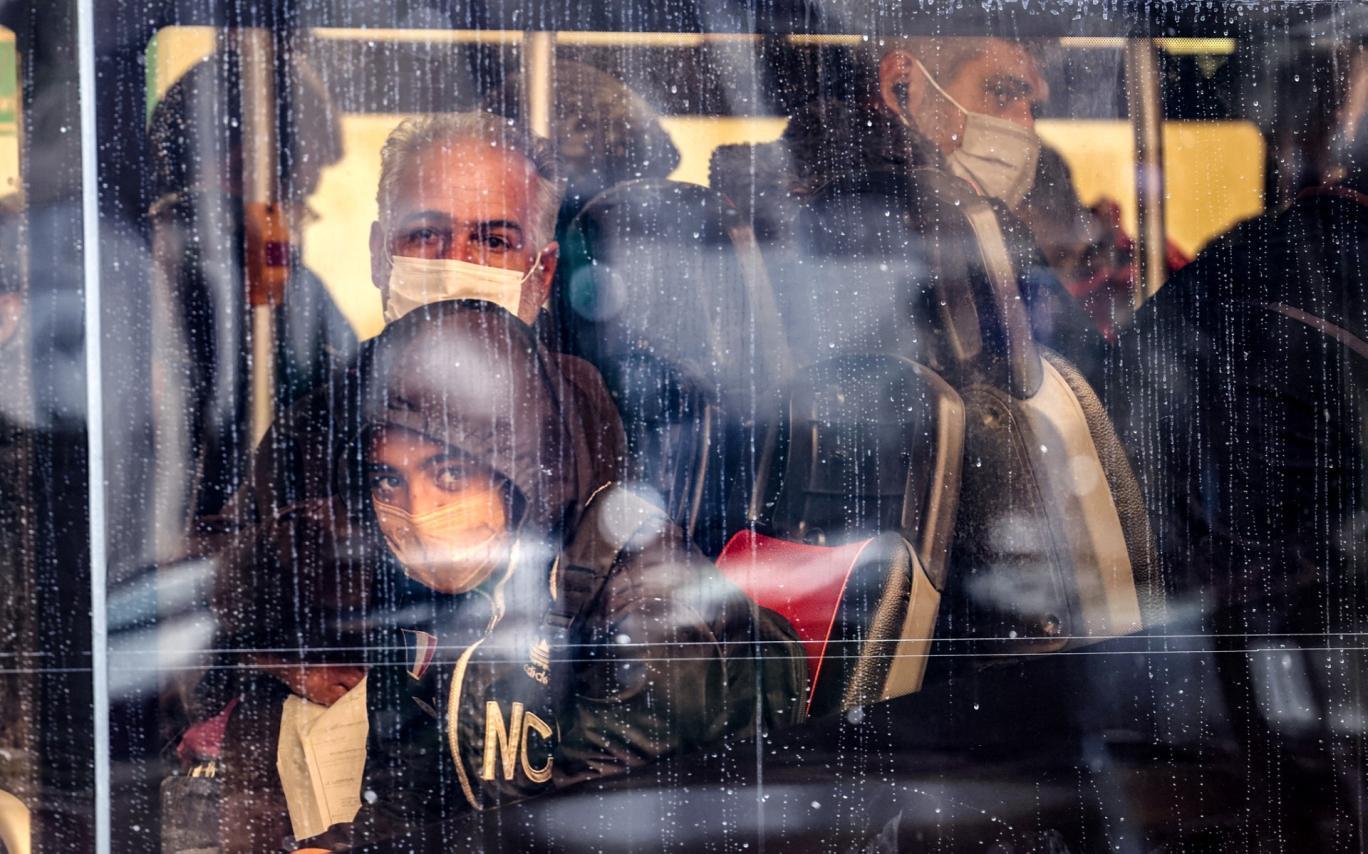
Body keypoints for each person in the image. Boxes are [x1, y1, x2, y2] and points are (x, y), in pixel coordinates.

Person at [217, 301, 807, 851]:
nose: (416, 513)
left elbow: (590, 834)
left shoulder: (642, 609)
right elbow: (410, 803)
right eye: (388, 481)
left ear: (523, 470)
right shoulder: (451, 590)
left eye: (450, 474)